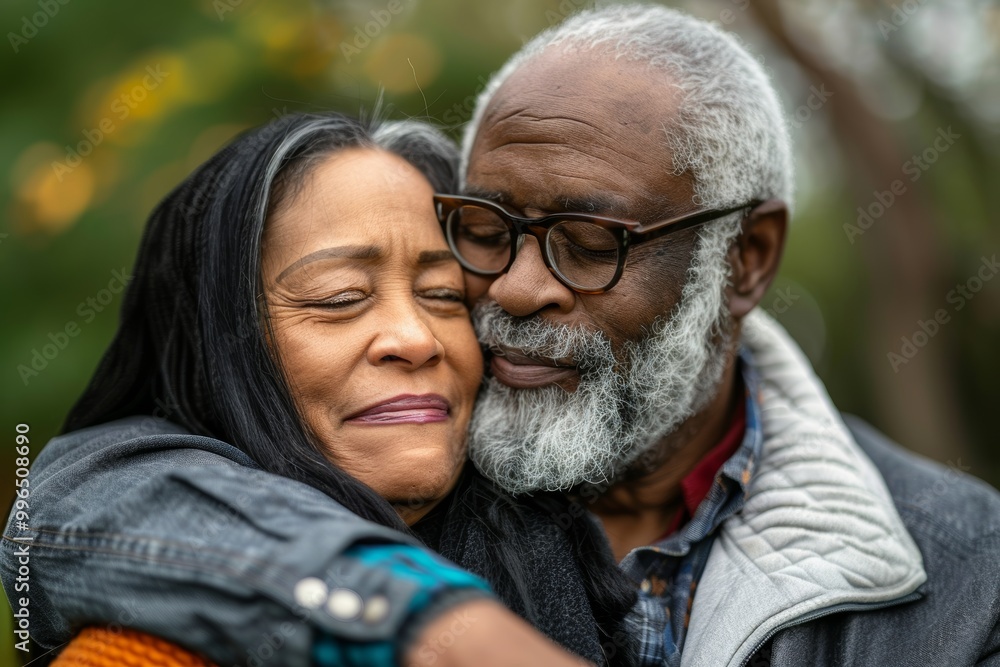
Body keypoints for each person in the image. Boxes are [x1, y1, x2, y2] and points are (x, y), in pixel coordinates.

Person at [7, 4, 1000, 667]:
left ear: (744, 261)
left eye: (589, 241)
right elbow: (92, 490)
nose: (517, 289)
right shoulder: (408, 464)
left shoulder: (968, 581)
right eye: (486, 232)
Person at [0, 111, 636, 667]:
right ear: (219, 348)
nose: (416, 339)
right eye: (340, 298)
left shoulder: (585, 519)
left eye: (443, 295)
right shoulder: (148, 645)